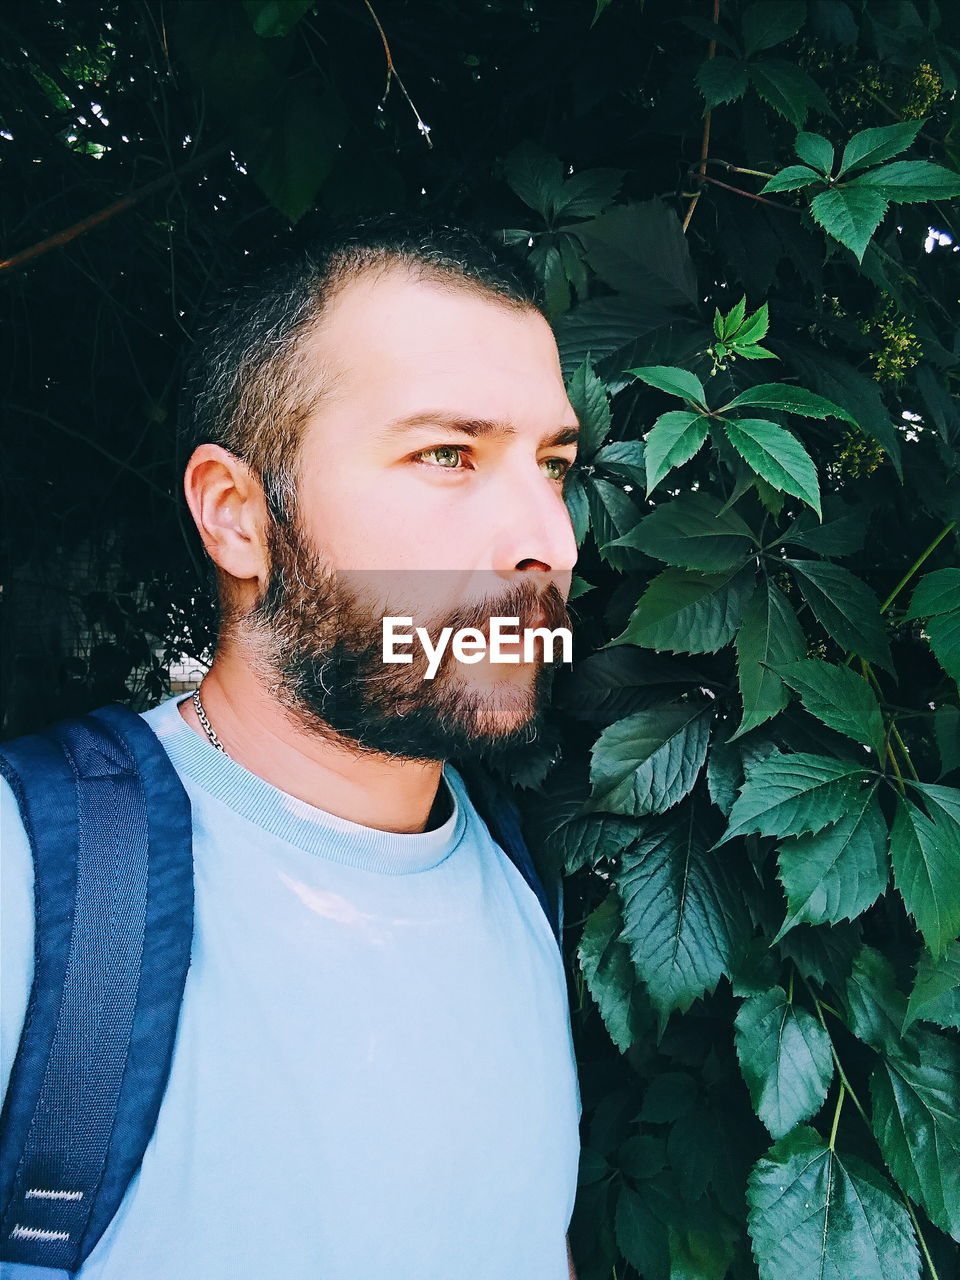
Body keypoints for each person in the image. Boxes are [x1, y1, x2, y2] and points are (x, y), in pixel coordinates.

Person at [0, 219, 583, 1279]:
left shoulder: (515, 882)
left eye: (553, 463)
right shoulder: (34, 878)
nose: (549, 536)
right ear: (236, 517)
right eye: (447, 454)